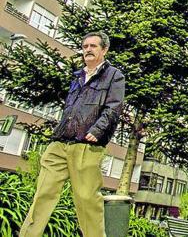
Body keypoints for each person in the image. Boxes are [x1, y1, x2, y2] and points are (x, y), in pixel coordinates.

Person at [20, 31, 125, 237]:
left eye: (93, 46)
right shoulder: (78, 76)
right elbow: (71, 108)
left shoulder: (114, 75)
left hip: (86, 144)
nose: (88, 50)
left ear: (104, 50)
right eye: (85, 46)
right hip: (60, 142)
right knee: (42, 194)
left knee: (87, 200)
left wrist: (98, 130)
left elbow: (114, 107)